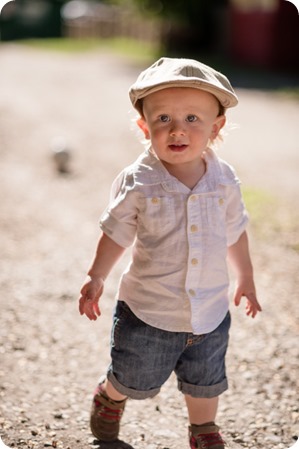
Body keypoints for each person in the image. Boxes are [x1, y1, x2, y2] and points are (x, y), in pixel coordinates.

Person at [78, 57, 262, 449]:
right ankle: (111, 395)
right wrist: (96, 275)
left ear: (217, 127)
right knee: (134, 375)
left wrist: (245, 277)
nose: (177, 129)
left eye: (193, 118)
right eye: (162, 119)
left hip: (209, 312)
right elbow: (116, 233)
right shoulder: (140, 181)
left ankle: (203, 430)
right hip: (149, 311)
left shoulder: (224, 179)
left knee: (205, 379)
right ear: (144, 127)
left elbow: (236, 232)